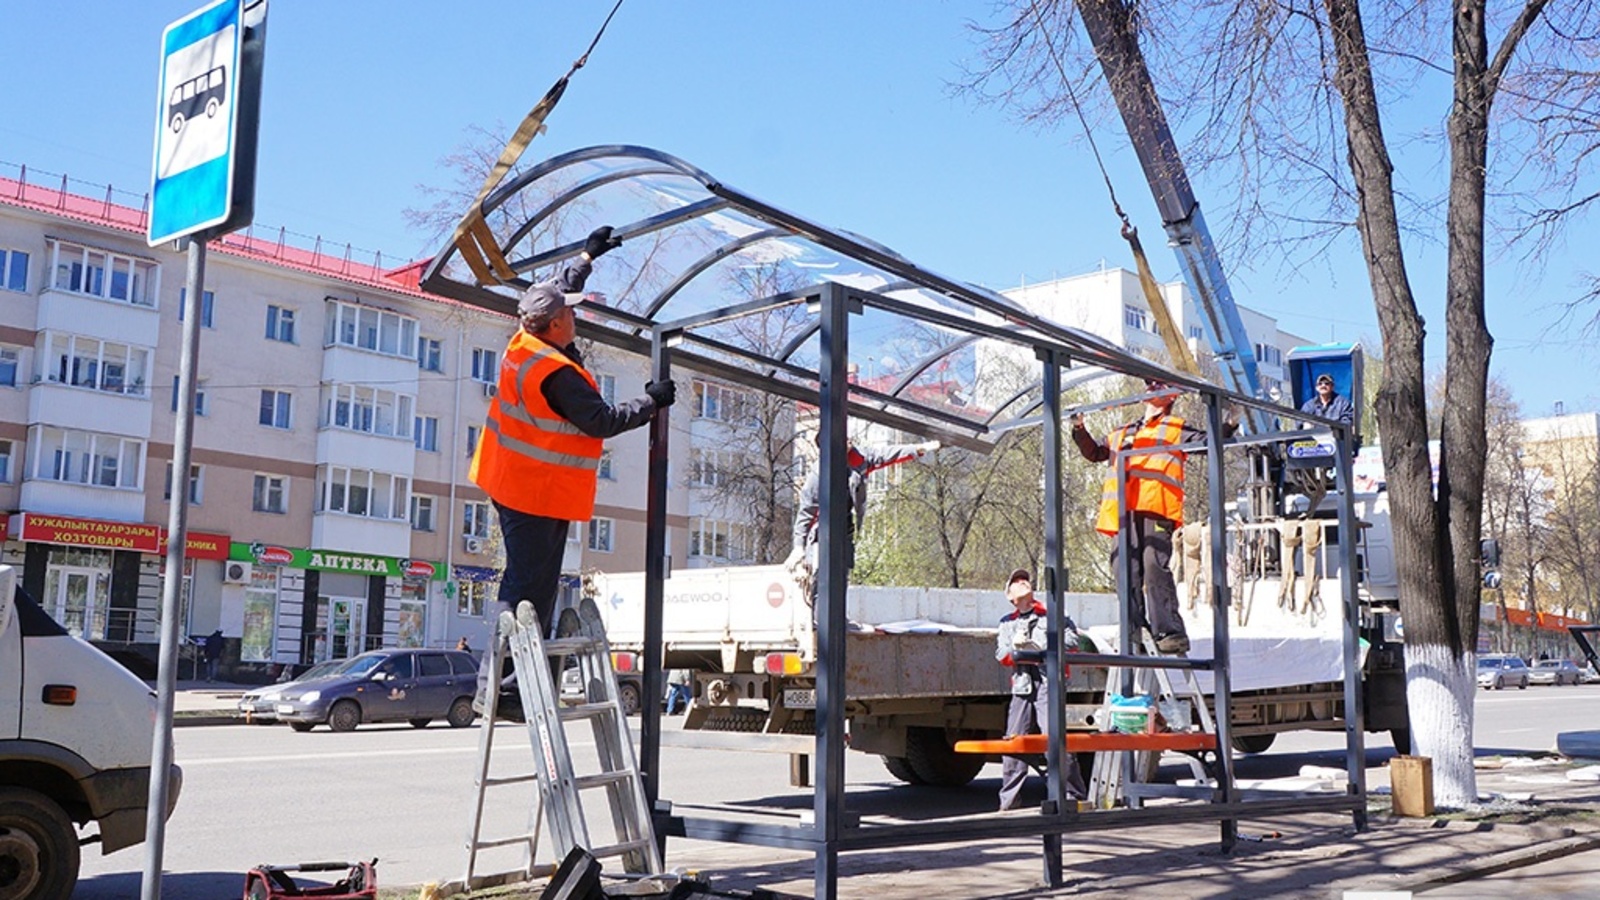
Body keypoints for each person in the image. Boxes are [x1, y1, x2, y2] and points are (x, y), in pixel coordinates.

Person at [471, 225, 675, 713]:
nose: (574, 314)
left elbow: (555, 290)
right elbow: (601, 420)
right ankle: (501, 691)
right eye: (570, 313)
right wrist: (650, 401)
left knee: (527, 586)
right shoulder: (557, 374)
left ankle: (508, 687)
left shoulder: (527, 337)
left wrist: (587, 255)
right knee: (526, 591)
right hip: (534, 492)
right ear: (557, 325)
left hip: (510, 479)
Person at [1071, 380, 1237, 655]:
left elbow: (1207, 443)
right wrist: (1079, 428)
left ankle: (1170, 632)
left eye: (1157, 387)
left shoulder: (1175, 428)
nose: (1150, 390)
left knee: (1153, 565)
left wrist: (1230, 423)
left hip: (1156, 508)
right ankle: (1134, 630)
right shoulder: (1123, 432)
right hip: (1124, 513)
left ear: (1168, 397)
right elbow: (1095, 453)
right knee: (1123, 570)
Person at [786, 432, 939, 591]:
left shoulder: (858, 459)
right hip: (822, 531)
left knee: (841, 576)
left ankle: (839, 615)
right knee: (822, 579)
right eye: (843, 439)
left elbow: (886, 455)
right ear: (831, 446)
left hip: (844, 526)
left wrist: (919, 449)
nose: (849, 439)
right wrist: (799, 547)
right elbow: (806, 513)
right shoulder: (817, 477)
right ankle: (819, 612)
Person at [996, 568, 1086, 811]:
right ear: (1010, 595)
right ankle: (1009, 803)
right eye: (1016, 581)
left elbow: (1073, 641)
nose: (1022, 582)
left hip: (1049, 683)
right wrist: (1016, 651)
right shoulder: (1007, 623)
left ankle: (1073, 796)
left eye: (1024, 579)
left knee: (1055, 740)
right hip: (1023, 685)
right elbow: (1001, 654)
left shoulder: (1053, 614)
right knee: (1014, 742)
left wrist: (1042, 646)